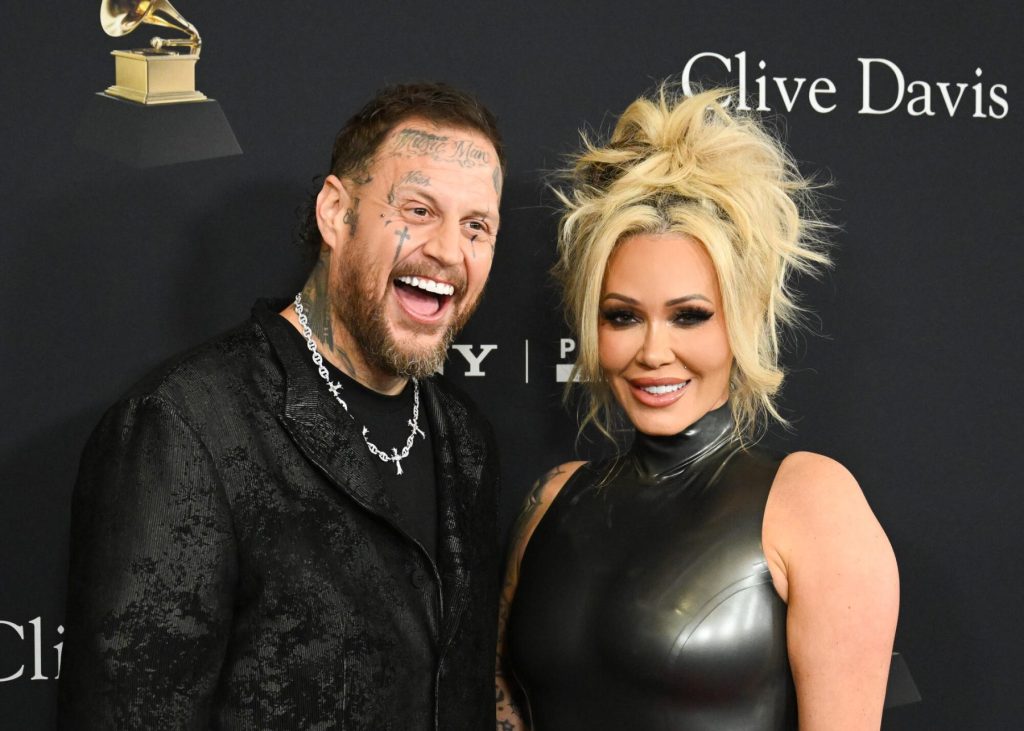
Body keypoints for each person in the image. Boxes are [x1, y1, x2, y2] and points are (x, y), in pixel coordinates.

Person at [59, 81, 505, 729]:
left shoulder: (466, 440)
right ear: (336, 213)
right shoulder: (184, 425)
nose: (448, 251)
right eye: (417, 209)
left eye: (476, 226)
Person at [495, 88, 899, 730]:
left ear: (742, 322)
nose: (654, 352)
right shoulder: (552, 500)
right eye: (623, 317)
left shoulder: (811, 503)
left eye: (689, 316)